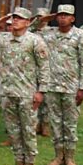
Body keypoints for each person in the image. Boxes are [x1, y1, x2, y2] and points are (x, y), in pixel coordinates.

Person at [0, 7, 50, 165]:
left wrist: (41, 91)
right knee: (13, 132)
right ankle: (18, 164)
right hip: (7, 92)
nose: (15, 21)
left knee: (28, 130)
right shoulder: (2, 39)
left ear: (27, 23)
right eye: (13, 18)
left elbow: (44, 67)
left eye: (20, 18)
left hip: (27, 93)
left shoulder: (35, 41)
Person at [33, 5, 83, 165]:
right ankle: (58, 156)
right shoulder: (49, 34)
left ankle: (70, 157)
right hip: (52, 86)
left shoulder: (81, 36)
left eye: (66, 15)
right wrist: (43, 20)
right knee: (56, 123)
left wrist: (82, 88)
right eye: (60, 15)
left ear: (73, 18)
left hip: (72, 87)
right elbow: (30, 31)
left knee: (70, 124)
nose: (62, 18)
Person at [31, 8, 53, 137]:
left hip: (47, 68)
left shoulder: (51, 32)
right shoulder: (30, 31)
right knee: (33, 99)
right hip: (32, 70)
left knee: (46, 100)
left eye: (43, 17)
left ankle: (45, 125)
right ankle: (35, 125)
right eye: (38, 17)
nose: (41, 20)